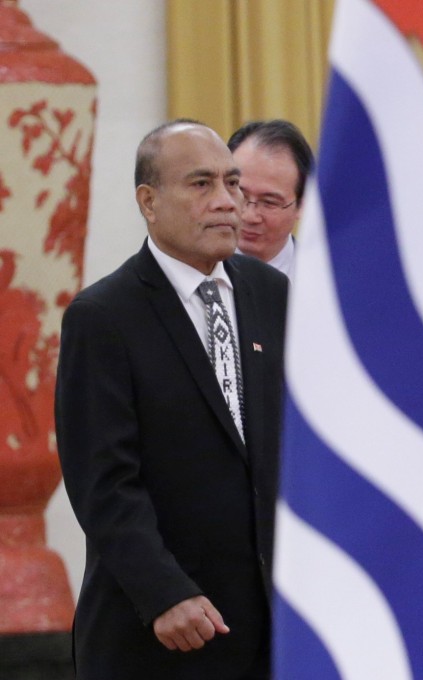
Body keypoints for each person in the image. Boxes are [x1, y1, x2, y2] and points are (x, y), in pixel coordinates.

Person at [55, 119, 287, 679]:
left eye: (232, 183)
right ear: (149, 201)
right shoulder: (103, 317)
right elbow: (103, 482)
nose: (227, 201)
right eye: (201, 184)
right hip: (159, 634)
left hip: (270, 633)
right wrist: (163, 592)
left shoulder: (272, 293)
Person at [227, 119, 314, 281]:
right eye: (240, 194)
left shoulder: (327, 281)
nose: (249, 216)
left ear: (302, 204)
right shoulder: (192, 269)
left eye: (269, 202)